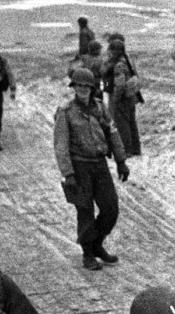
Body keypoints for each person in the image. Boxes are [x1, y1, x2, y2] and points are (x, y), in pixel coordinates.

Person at [54, 67, 129, 271]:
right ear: (74, 87)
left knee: (111, 208)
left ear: (92, 88)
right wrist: (68, 173)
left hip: (99, 164)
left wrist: (121, 160)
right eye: (79, 85)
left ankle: (97, 244)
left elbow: (112, 133)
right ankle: (88, 253)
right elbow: (61, 145)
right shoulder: (66, 112)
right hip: (79, 167)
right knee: (85, 211)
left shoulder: (99, 108)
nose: (83, 89)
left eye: (87, 86)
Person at [103, 38, 142, 158]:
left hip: (123, 99)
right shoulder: (127, 60)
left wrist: (115, 99)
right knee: (132, 123)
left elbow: (120, 84)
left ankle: (127, 150)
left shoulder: (119, 65)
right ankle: (136, 149)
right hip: (131, 97)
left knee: (122, 124)